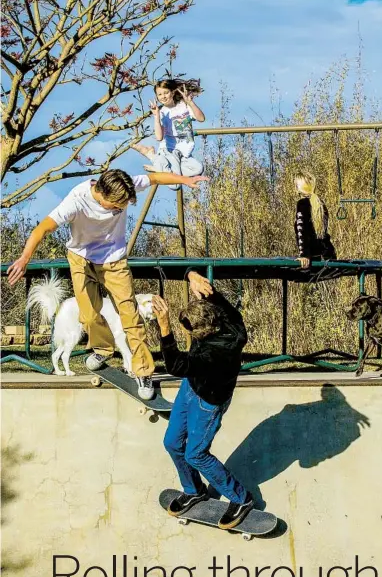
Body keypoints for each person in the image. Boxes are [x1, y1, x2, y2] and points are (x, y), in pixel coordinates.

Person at [7, 169, 208, 400]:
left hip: (114, 261)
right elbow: (43, 228)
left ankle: (142, 371)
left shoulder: (123, 183)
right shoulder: (75, 201)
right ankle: (103, 349)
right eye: (115, 206)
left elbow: (154, 178)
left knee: (130, 317)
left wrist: (184, 179)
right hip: (80, 259)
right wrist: (24, 258)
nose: (119, 210)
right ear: (100, 193)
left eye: (122, 207)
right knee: (89, 315)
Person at [152, 270, 254, 530]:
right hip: (191, 388)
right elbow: (214, 297)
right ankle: (194, 489)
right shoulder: (228, 318)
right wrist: (192, 275)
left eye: (191, 331)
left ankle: (241, 498)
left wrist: (164, 327)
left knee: (196, 453)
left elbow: (176, 364)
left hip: (208, 402)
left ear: (205, 330)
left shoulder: (214, 353)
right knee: (172, 443)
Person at [132, 78, 205, 190]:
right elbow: (159, 137)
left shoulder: (184, 105)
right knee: (175, 185)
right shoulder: (162, 112)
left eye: (166, 92)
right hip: (169, 151)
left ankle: (160, 168)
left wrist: (190, 102)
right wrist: (156, 116)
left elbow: (201, 118)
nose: (163, 97)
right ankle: (153, 156)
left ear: (173, 91)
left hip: (185, 153)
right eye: (160, 94)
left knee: (198, 169)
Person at [294, 170, 336, 269]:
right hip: (326, 255)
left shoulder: (302, 204)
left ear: (298, 188)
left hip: (311, 258)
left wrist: (304, 254)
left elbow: (302, 231)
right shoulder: (320, 204)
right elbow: (322, 234)